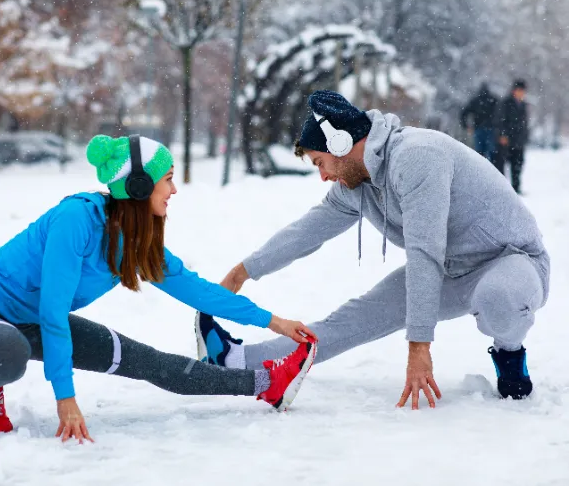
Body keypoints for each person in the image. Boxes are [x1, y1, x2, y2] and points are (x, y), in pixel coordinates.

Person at [0, 134, 318, 443]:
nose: (174, 189)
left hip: (34, 324)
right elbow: (54, 311)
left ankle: (267, 383)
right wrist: (66, 398)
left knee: (151, 363)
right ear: (138, 186)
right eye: (167, 178)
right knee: (6, 351)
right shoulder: (75, 220)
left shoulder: (135, 242)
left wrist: (275, 323)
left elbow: (200, 292)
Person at [196, 90, 550, 410]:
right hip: (451, 270)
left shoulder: (417, 157)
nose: (322, 176)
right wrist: (241, 272)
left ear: (339, 143)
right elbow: (306, 232)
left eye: (320, 162)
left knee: (497, 298)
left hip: (512, 261)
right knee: (354, 317)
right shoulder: (357, 184)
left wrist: (419, 346)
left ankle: (510, 354)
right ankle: (239, 359)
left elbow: (424, 250)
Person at [494, 79, 530, 194]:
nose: (522, 93)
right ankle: (502, 189)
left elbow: (524, 122)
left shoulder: (523, 104)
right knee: (501, 165)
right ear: (514, 90)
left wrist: (525, 136)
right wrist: (503, 134)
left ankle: (516, 188)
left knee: (518, 165)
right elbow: (500, 119)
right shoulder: (506, 103)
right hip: (507, 140)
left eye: (523, 91)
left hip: (519, 140)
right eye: (520, 90)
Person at [460, 82, 499, 163]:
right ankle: (490, 172)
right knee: (491, 154)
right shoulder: (494, 100)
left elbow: (464, 113)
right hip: (490, 130)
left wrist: (466, 126)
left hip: (478, 129)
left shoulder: (475, 100)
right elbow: (500, 115)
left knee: (479, 155)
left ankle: (480, 172)